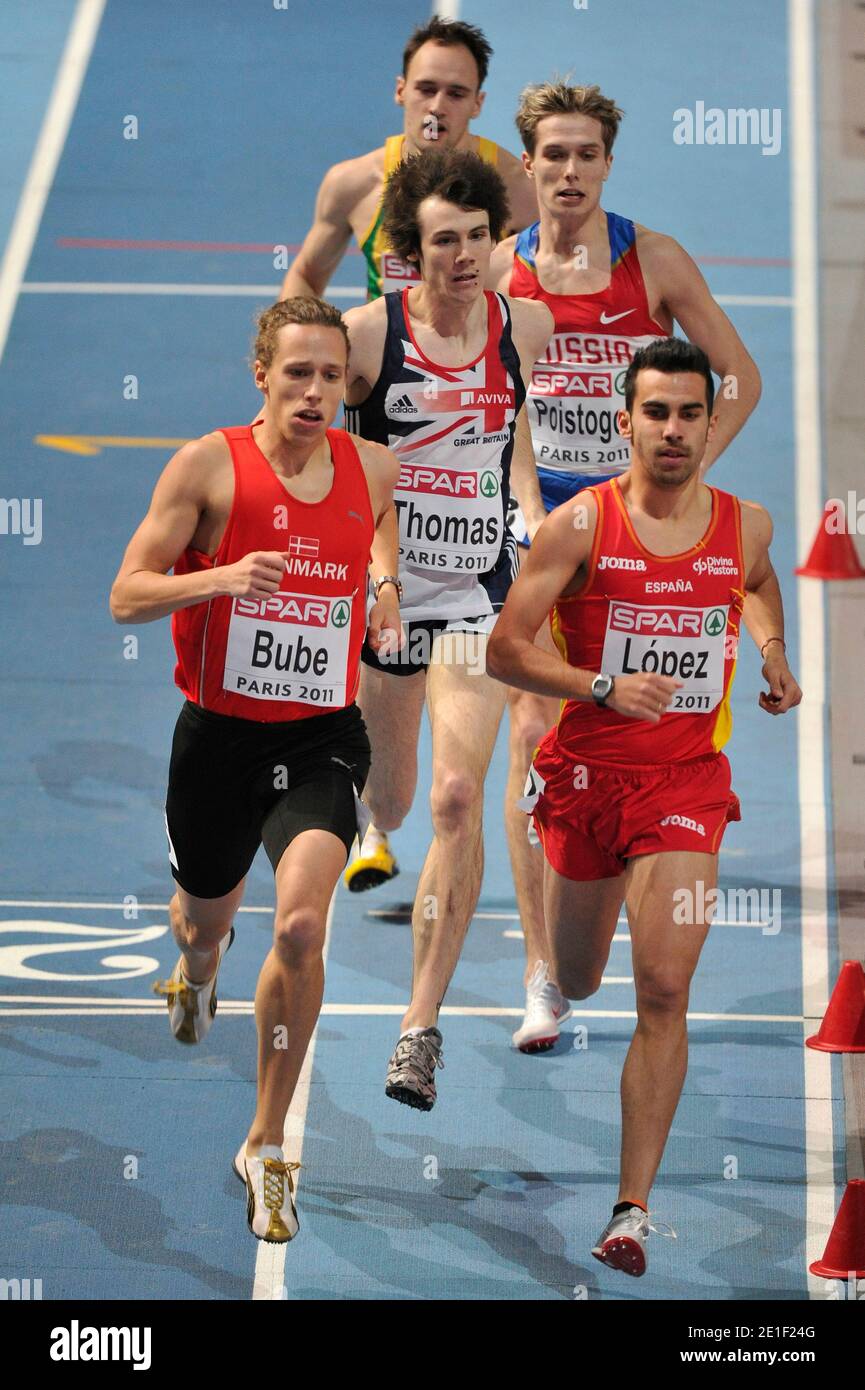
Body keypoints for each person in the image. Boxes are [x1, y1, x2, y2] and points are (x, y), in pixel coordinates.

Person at [486, 337, 801, 1275]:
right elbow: (504, 650)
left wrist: (773, 650)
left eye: (689, 414)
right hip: (584, 781)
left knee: (664, 986)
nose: (672, 431)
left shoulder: (745, 526)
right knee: (581, 980)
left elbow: (750, 583)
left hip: (683, 787)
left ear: (711, 424)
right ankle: (553, 971)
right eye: (655, 413)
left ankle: (629, 1210)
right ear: (624, 421)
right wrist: (596, 686)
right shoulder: (578, 528)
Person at [109, 297, 402, 1242]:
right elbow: (126, 595)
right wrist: (219, 578)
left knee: (307, 922)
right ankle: (197, 968)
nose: (315, 392)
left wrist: (386, 589)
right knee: (206, 920)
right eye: (298, 373)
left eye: (331, 376)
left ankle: (268, 1144)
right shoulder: (208, 466)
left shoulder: (374, 468)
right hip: (219, 740)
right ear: (262, 375)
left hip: (319, 736)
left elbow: (375, 532)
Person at [487, 82, 763, 1053]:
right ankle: (540, 972)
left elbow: (739, 378)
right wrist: (523, 508)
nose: (568, 172)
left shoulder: (652, 259)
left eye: (585, 156)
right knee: (531, 725)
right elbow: (494, 401)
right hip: (548, 526)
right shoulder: (498, 270)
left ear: (608, 163)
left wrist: (677, 491)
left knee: (634, 720)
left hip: (636, 532)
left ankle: (614, 890)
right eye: (552, 156)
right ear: (527, 164)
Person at [342, 147, 553, 1109]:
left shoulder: (528, 329)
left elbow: (510, 441)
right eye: (442, 241)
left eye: (476, 237)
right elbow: (324, 461)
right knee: (390, 803)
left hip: (476, 601)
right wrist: (367, 572)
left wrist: (528, 509)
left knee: (459, 799)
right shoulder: (365, 338)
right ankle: (361, 824)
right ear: (408, 250)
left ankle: (416, 1028)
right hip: (390, 602)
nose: (462, 256)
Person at [282, 16, 537, 311]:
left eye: (456, 94)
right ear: (401, 90)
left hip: (478, 354)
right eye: (426, 89)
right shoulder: (354, 184)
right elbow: (306, 278)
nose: (437, 107)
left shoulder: (518, 188)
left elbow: (555, 289)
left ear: (477, 103)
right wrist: (290, 345)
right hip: (385, 354)